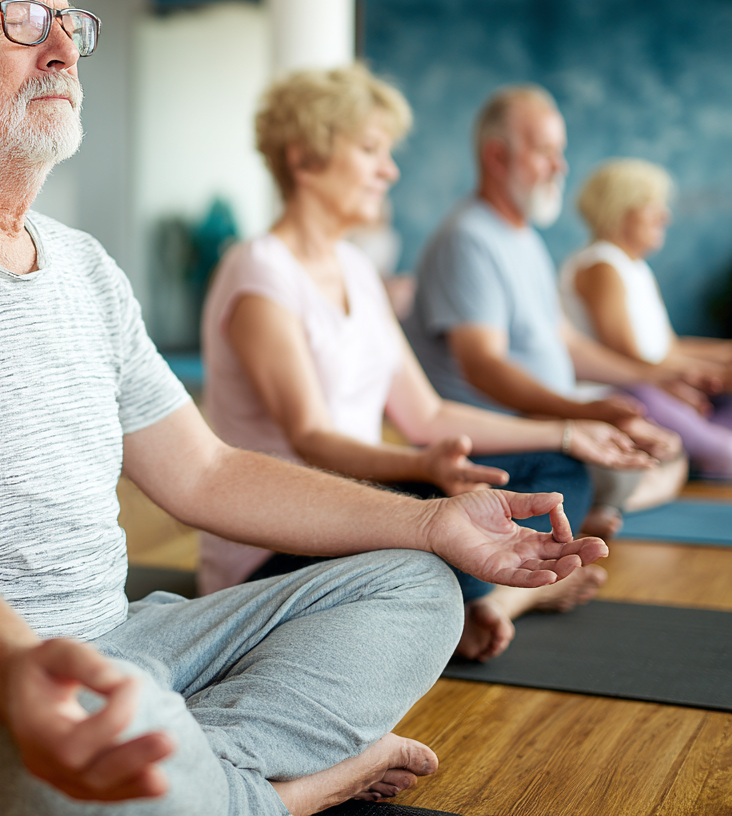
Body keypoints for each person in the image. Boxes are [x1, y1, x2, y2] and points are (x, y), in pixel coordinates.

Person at [0, 0, 607, 816]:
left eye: (69, 24)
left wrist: (430, 525)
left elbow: (203, 472)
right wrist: (19, 675)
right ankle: (280, 795)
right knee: (37, 758)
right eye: (20, 20)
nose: (64, 52)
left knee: (416, 587)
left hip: (123, 650)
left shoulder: (82, 265)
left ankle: (177, 774)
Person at [200, 65, 648, 663]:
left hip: (357, 507)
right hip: (275, 541)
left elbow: (427, 412)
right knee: (438, 543)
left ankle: (489, 601)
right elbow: (311, 438)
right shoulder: (261, 275)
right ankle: (508, 595)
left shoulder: (357, 270)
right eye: (370, 151)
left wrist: (569, 430)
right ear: (305, 160)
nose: (390, 170)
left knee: (555, 469)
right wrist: (422, 471)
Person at [405, 84, 694, 537]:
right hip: (501, 439)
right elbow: (482, 365)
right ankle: (577, 514)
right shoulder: (467, 239)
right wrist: (577, 416)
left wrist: (652, 376)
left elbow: (567, 342)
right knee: (627, 467)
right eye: (544, 152)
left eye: (560, 151)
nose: (560, 166)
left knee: (666, 452)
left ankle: (580, 516)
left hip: (553, 424)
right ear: (497, 157)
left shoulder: (524, 238)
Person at [560, 158, 732, 477]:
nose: (664, 216)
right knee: (724, 454)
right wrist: (706, 371)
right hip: (627, 391)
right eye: (652, 206)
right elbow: (628, 357)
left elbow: (666, 347)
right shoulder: (602, 266)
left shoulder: (633, 267)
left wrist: (722, 357)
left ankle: (692, 454)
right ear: (619, 209)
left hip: (652, 383)